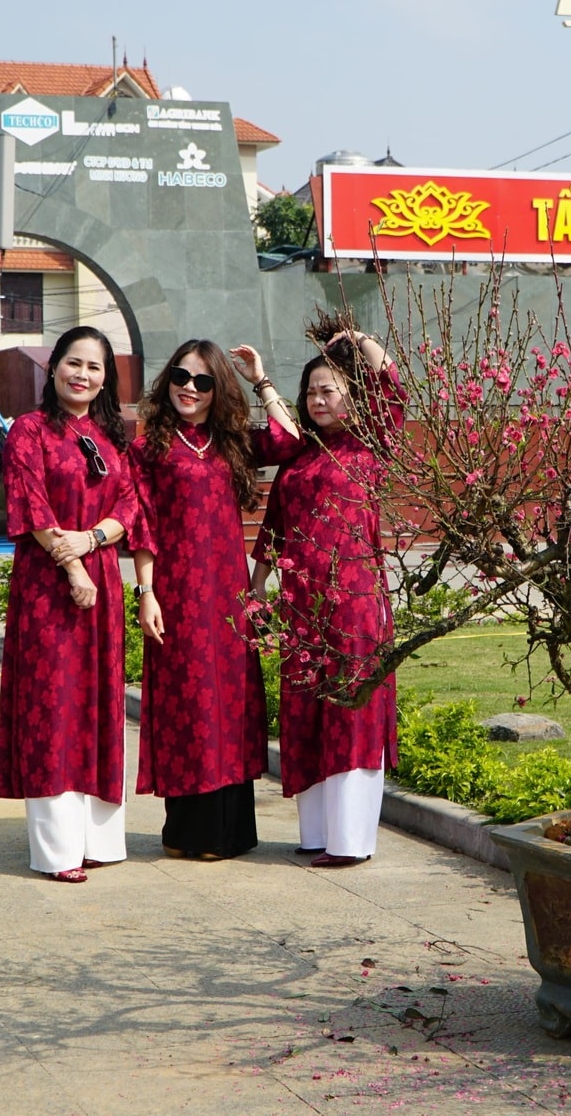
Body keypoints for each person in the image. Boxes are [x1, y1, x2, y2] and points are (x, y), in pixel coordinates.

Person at [130, 339, 302, 861]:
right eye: (182, 377)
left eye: (203, 382)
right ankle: (187, 832)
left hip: (229, 597)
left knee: (229, 704)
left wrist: (261, 380)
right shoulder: (148, 448)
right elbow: (142, 527)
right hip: (178, 595)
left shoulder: (232, 443)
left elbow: (290, 441)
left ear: (216, 391)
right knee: (188, 704)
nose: (189, 388)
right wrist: (147, 593)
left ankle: (229, 832)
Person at [251, 326, 404, 867]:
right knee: (306, 710)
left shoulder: (370, 442)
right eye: (312, 391)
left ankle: (351, 840)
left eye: (329, 390)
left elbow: (393, 387)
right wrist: (259, 582)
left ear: (353, 398)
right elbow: (276, 521)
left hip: (355, 603)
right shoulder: (299, 455)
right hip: (301, 605)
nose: (318, 400)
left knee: (350, 714)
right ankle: (317, 833)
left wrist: (360, 338)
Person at [0, 326, 145, 882]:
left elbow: (130, 503)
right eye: (73, 363)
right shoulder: (29, 431)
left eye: (95, 367)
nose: (83, 375)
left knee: (98, 704)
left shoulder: (112, 437)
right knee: (53, 707)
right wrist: (72, 562)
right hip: (47, 586)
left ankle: (99, 841)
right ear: (53, 366)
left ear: (106, 379)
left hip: (100, 579)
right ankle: (57, 850)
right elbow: (30, 501)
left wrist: (93, 541)